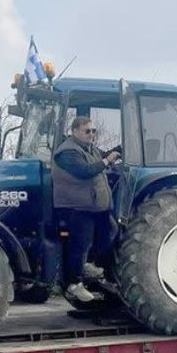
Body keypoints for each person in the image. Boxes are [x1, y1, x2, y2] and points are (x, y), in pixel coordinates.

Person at [52, 116, 120, 303]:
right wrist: (107, 161)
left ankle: (90, 267)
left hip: (95, 207)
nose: (91, 134)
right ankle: (74, 285)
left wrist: (120, 150)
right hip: (77, 207)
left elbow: (105, 155)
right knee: (79, 245)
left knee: (110, 231)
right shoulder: (67, 152)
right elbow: (85, 171)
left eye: (93, 131)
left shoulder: (89, 148)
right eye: (87, 131)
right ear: (74, 132)